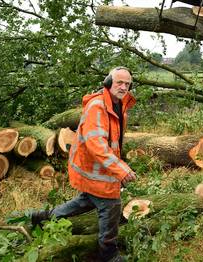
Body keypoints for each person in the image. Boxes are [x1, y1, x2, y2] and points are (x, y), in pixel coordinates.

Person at [29, 67, 136, 262]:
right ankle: (108, 254)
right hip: (96, 170)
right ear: (108, 82)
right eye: (119, 82)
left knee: (83, 202)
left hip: (100, 169)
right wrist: (120, 169)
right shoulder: (98, 106)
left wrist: (119, 162)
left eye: (127, 84)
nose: (123, 87)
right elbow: (97, 144)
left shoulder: (120, 105)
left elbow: (114, 141)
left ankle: (42, 217)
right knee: (111, 207)